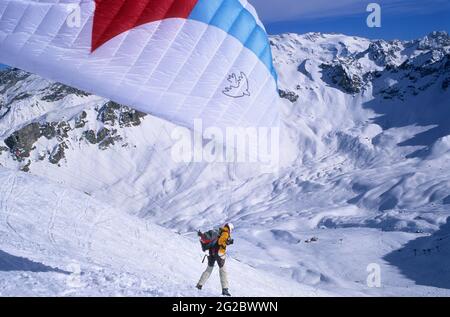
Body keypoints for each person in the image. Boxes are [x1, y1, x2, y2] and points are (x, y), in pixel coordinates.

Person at [196, 223, 234, 296]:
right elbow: (220, 242)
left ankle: (199, 285)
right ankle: (225, 290)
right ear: (230, 228)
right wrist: (227, 242)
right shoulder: (225, 233)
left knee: (209, 269)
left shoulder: (219, 231)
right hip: (219, 253)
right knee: (223, 271)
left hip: (211, 253)